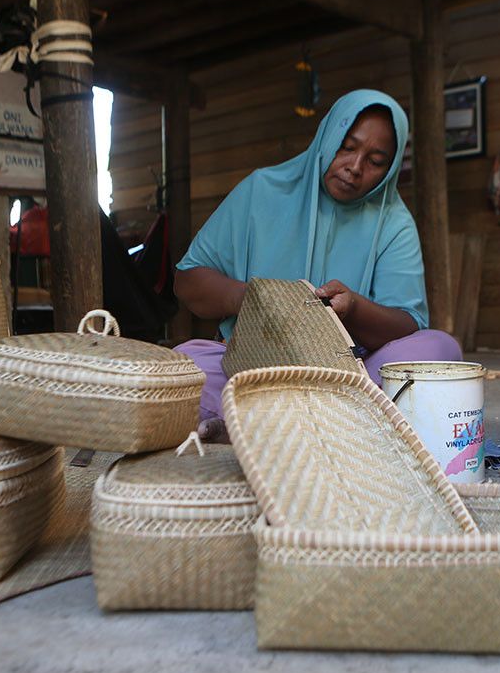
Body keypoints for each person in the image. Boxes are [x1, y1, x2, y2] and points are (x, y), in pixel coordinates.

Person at [173, 89, 461, 439]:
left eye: (375, 160)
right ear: (328, 136)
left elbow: (409, 323)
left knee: (439, 349)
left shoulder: (393, 222)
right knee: (181, 370)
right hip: (249, 369)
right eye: (347, 146)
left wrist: (353, 309)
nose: (354, 168)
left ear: (391, 167)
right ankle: (329, 429)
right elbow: (188, 280)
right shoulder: (262, 190)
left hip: (349, 374)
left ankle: (256, 425)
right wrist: (254, 299)